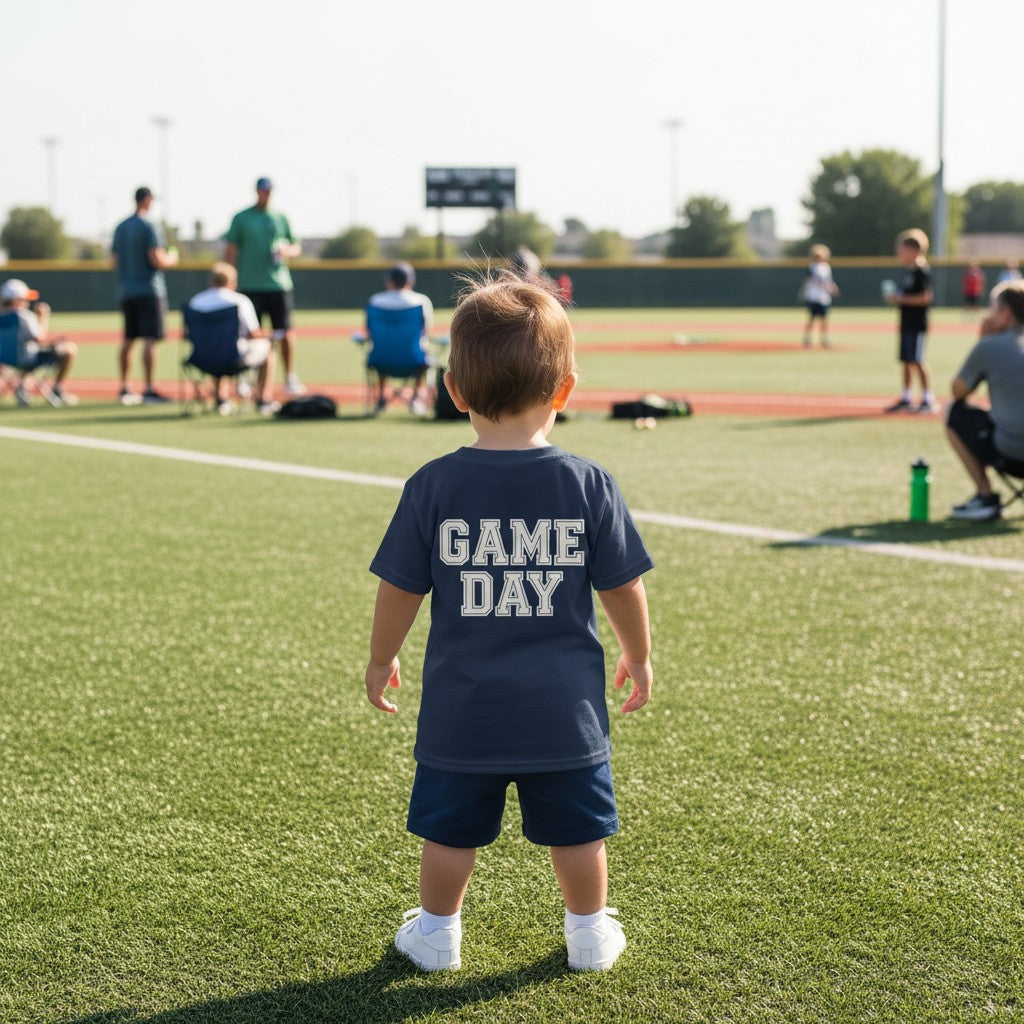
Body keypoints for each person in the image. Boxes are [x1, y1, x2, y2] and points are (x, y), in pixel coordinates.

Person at [365, 273, 654, 974]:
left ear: (454, 390)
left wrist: (380, 659)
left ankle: (437, 935)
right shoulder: (589, 483)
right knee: (579, 831)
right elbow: (622, 586)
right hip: (565, 710)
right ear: (565, 389)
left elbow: (400, 588)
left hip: (463, 708)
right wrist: (639, 656)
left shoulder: (432, 485)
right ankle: (588, 934)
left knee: (449, 830)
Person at [945, 280, 1024, 521]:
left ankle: (985, 494)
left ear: (1005, 313)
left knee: (952, 411)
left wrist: (982, 343)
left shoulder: (989, 346)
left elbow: (958, 391)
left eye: (992, 309)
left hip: (1013, 454)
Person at [223, 177, 304, 396]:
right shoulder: (241, 217)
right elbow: (230, 250)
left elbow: (296, 246)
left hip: (278, 284)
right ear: (256, 191)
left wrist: (287, 251)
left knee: (285, 332)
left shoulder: (280, 217)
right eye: (262, 190)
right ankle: (246, 379)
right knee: (249, 335)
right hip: (249, 284)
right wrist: (229, 280)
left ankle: (290, 377)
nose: (265, 194)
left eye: (268, 190)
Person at [111, 186, 179, 404]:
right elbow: (157, 259)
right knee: (150, 340)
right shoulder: (150, 225)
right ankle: (149, 388)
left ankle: (124, 387)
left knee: (129, 340)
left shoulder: (121, 227)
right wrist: (172, 259)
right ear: (147, 200)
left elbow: (113, 261)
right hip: (150, 290)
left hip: (127, 290)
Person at [187, 262, 277, 416]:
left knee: (217, 347)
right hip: (233, 359)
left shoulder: (196, 301)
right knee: (268, 348)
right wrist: (270, 335)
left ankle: (220, 399)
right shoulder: (239, 300)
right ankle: (263, 400)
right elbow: (253, 333)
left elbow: (189, 334)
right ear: (232, 282)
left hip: (201, 358)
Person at [365, 261, 434, 416]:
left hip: (380, 361)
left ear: (389, 281)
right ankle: (415, 397)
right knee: (424, 353)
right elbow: (426, 331)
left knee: (382, 348)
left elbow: (369, 333)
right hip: (414, 361)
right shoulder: (421, 301)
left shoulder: (375, 301)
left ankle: (381, 397)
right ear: (411, 281)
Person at [0, 278, 77, 406]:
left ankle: (22, 387)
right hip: (28, 360)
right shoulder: (25, 316)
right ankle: (57, 389)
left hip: (4, 360)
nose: (27, 302)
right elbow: (40, 338)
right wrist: (43, 317)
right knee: (69, 349)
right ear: (16, 300)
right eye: (24, 299)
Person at [885, 228, 935, 413]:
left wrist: (901, 299)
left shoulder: (922, 271)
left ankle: (927, 398)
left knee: (918, 359)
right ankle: (906, 397)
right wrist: (896, 297)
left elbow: (925, 298)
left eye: (902, 250)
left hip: (917, 323)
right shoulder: (908, 271)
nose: (900, 254)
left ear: (914, 250)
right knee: (906, 360)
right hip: (906, 321)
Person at [801, 244, 839, 348]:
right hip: (813, 297)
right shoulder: (812, 267)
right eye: (816, 256)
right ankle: (807, 339)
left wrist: (833, 288)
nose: (818, 258)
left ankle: (824, 340)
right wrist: (804, 293)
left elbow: (829, 281)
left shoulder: (826, 267)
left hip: (824, 297)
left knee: (824, 320)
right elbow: (808, 281)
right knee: (811, 319)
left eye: (820, 256)